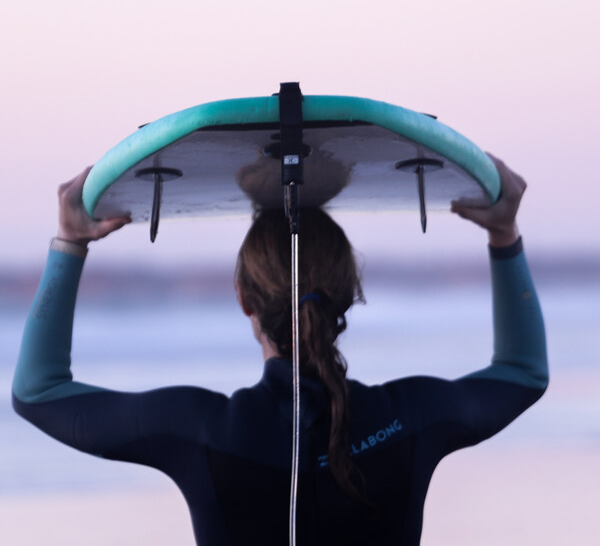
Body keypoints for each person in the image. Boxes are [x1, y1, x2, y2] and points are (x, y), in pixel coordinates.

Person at [12, 156, 548, 545]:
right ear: (349, 293)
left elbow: (38, 391)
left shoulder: (199, 430)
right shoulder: (410, 418)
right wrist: (504, 233)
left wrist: (70, 242)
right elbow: (523, 372)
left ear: (243, 296)